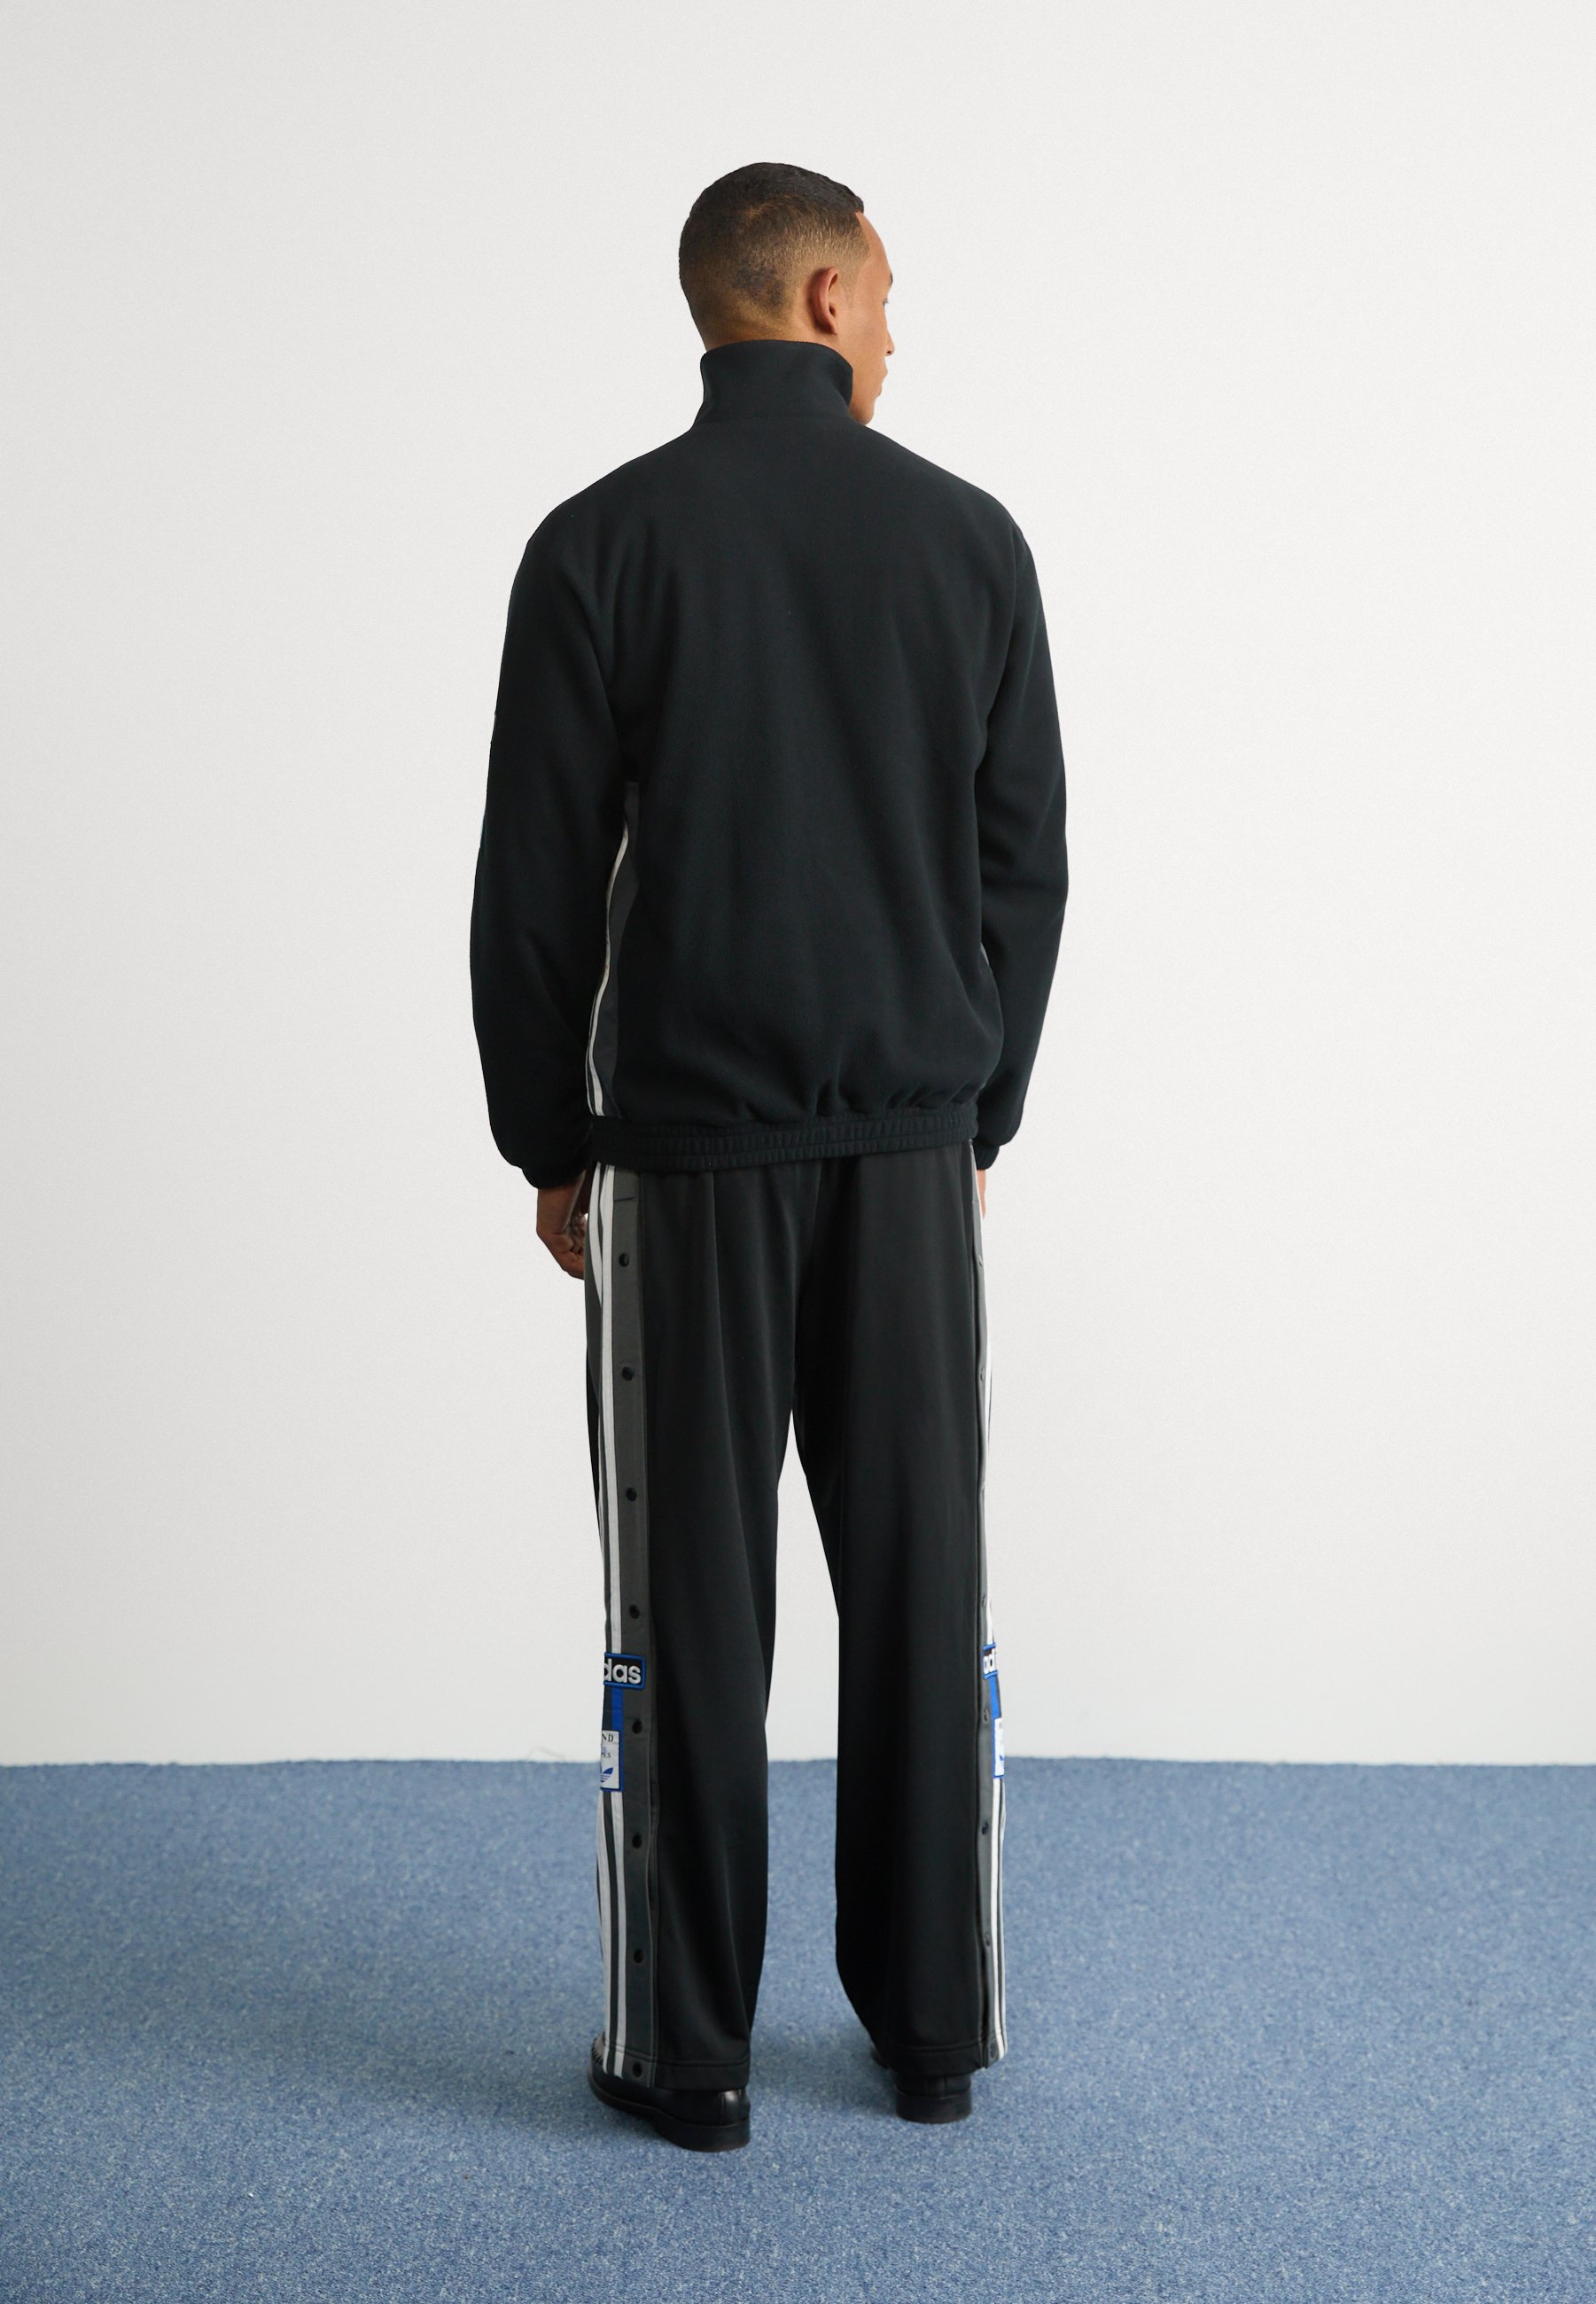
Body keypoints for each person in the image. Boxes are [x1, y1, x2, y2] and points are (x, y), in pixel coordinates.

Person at [470, 161, 1068, 2152]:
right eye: (883, 294)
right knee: (920, 1586)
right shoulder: (968, 540)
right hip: (906, 1155)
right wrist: (977, 1112)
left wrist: (547, 1138)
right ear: (818, 297)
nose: (894, 330)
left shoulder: (598, 545)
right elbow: (1022, 867)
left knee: (686, 1613)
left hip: (683, 1157)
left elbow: (535, 881)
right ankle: (932, 2035)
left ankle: (688, 2056)